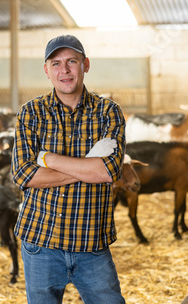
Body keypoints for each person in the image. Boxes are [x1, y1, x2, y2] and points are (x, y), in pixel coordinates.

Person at [11, 34, 126, 304]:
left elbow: (108, 173)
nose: (64, 70)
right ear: (46, 70)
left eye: (72, 61)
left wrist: (46, 158)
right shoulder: (31, 113)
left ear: (85, 64)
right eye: (56, 63)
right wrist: (89, 163)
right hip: (40, 242)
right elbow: (24, 175)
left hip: (91, 243)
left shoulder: (108, 112)